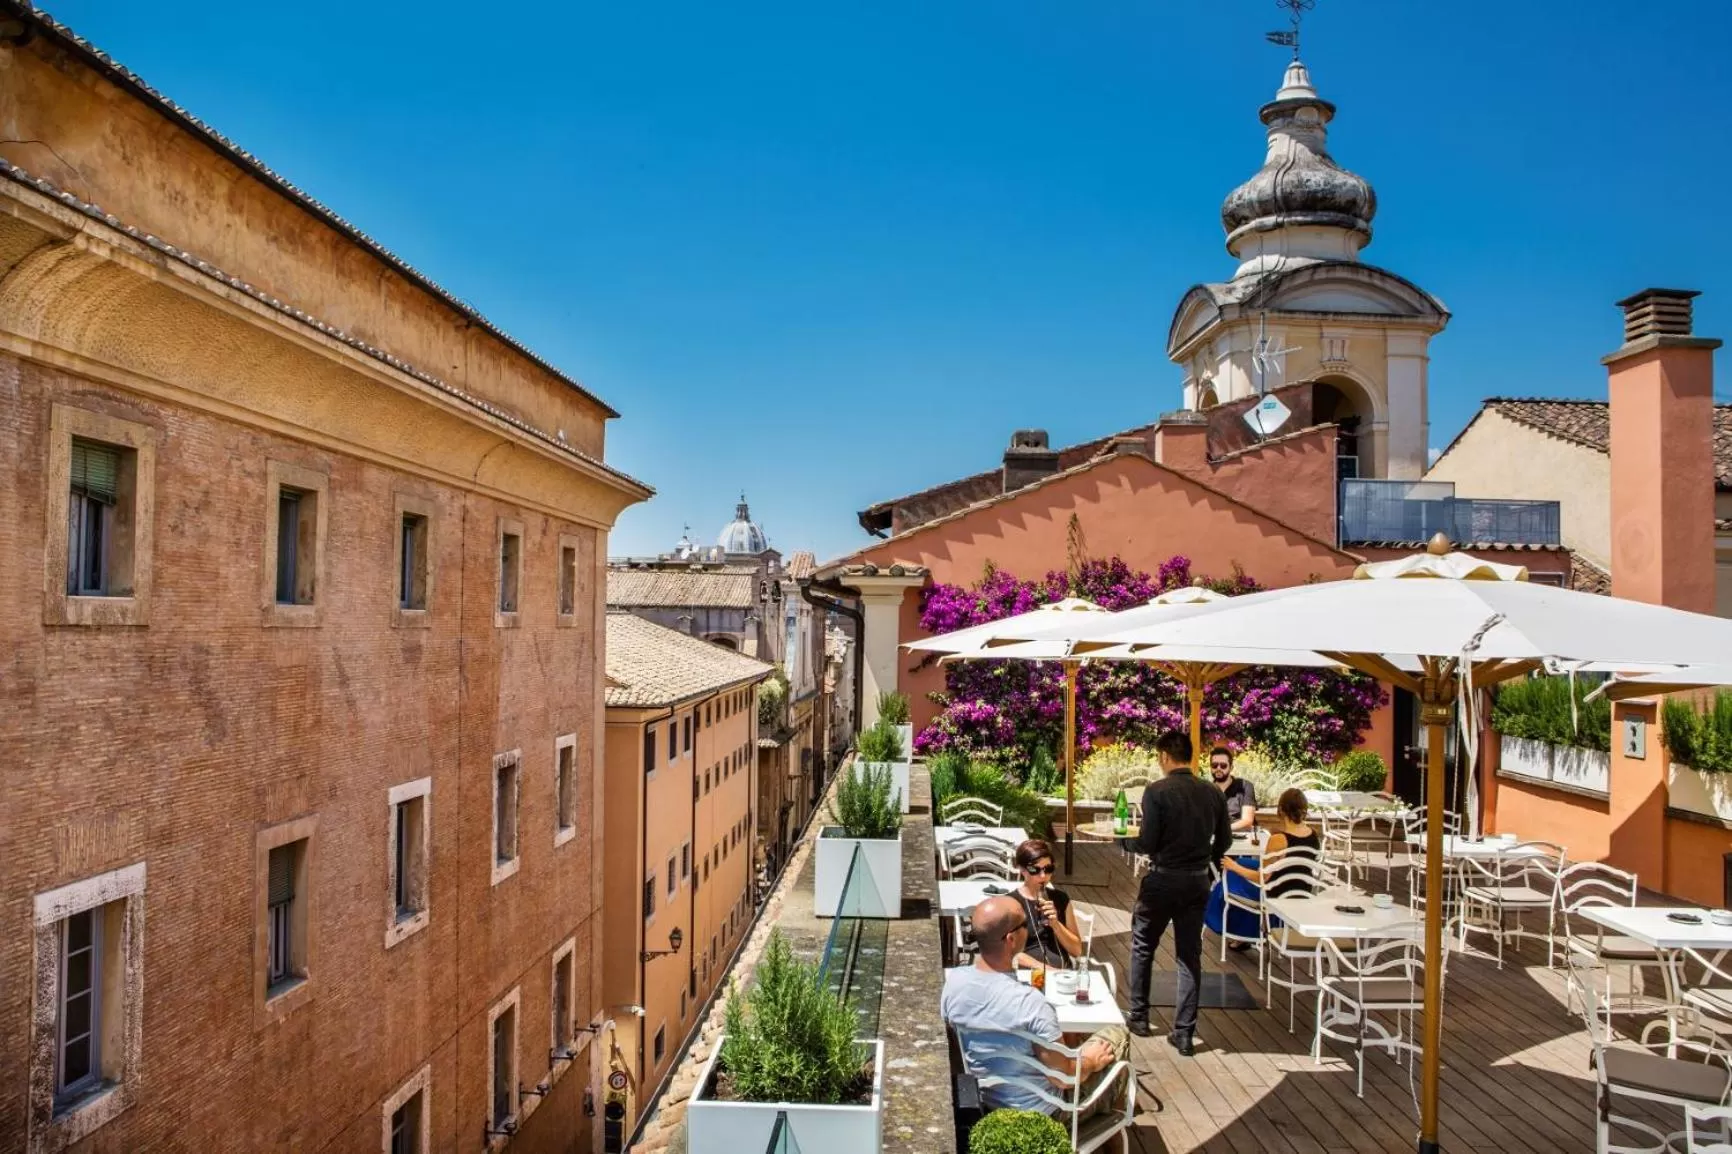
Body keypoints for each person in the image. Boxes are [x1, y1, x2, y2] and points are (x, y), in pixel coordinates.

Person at [941, 896, 1130, 1118]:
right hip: (1043, 1112)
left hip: (985, 1102)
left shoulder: (954, 982)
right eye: (1025, 924)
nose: (1030, 929)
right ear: (1011, 939)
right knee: (1118, 1034)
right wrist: (1090, 1060)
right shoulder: (1031, 1003)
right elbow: (1063, 1078)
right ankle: (1116, 1121)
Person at [1127, 731, 1230, 1055]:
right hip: (1197, 882)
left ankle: (1139, 1018)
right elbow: (1225, 841)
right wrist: (1207, 865)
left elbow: (1147, 842)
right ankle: (1184, 1034)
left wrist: (1123, 842)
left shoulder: (1156, 791)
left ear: (1164, 757)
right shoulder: (1213, 792)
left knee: (1143, 946)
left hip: (1162, 879)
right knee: (1189, 956)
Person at [1223, 788, 1322, 897]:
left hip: (1276, 895)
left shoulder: (1279, 839)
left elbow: (1262, 878)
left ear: (1281, 810)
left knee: (1227, 879)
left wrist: (1234, 867)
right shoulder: (1314, 835)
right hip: (1304, 893)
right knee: (1240, 861)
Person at [1007, 839, 1084, 969]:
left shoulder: (1061, 899)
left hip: (1063, 974)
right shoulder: (1011, 903)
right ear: (1021, 869)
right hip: (1029, 974)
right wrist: (1046, 970)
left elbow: (1077, 951)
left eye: (1048, 869)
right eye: (1035, 869)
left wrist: (1056, 925)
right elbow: (1009, 952)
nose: (1043, 876)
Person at [1208, 747, 1258, 832]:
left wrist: (1222, 830)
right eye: (1214, 765)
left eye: (1223, 766)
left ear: (1231, 767)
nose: (1218, 768)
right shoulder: (1206, 790)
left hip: (1242, 837)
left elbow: (1247, 821)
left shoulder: (1245, 786)